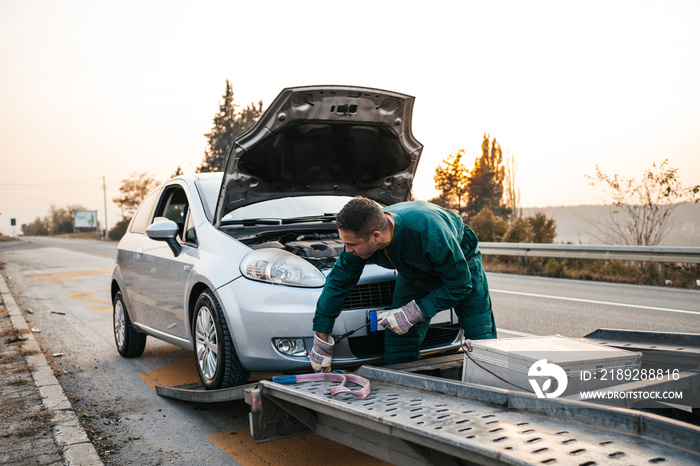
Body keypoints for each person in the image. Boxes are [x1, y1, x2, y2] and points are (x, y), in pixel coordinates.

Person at [310, 196, 497, 372]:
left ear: (375, 236)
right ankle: (405, 390)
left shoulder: (431, 234)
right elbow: (338, 282)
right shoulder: (365, 235)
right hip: (414, 271)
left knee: (479, 332)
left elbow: (460, 285)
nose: (347, 249)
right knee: (398, 339)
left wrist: (415, 312)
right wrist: (321, 336)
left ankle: (488, 385)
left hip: (461, 265)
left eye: (352, 244)